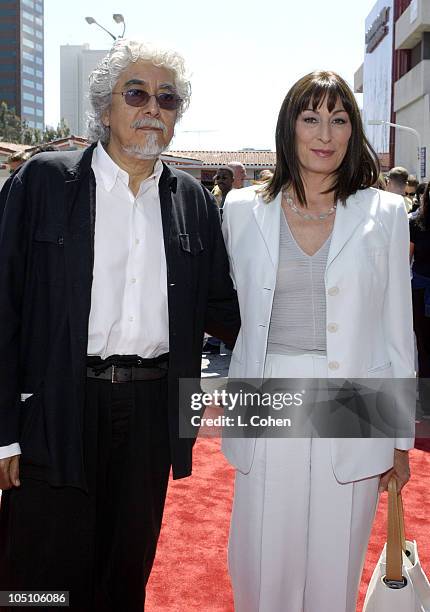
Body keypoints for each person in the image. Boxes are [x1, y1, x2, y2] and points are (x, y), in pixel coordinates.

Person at [0, 39, 239, 611]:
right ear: (105, 107)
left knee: (123, 572)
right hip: (55, 406)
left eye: (168, 97)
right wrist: (3, 427)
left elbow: (228, 310)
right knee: (37, 581)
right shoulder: (42, 182)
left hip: (153, 415)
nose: (152, 107)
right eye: (136, 92)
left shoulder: (194, 203)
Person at [222, 70, 414, 612]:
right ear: (290, 127)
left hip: (356, 399)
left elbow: (397, 328)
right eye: (311, 118)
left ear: (353, 133)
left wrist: (399, 436)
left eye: (339, 119)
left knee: (335, 568)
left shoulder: (386, 213)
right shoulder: (240, 209)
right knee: (261, 559)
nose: (324, 133)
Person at [410, 182, 430, 419]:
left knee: (425, 350)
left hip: (420, 290)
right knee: (424, 349)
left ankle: (426, 405)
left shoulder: (415, 223)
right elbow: (404, 259)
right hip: (421, 293)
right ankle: (426, 405)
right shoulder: (415, 224)